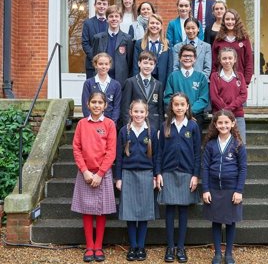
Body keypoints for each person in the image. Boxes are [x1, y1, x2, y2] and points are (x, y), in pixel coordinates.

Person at [71, 91, 117, 263]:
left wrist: (100, 173)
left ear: (105, 105)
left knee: (101, 210)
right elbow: (76, 149)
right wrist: (84, 171)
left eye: (100, 102)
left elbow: (111, 151)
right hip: (85, 173)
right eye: (94, 102)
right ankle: (89, 246)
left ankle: (99, 246)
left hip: (102, 174)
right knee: (87, 210)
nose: (97, 105)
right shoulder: (82, 124)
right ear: (88, 104)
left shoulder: (110, 124)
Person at [156, 92, 201, 263]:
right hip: (168, 172)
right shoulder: (165, 125)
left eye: (182, 105)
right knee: (169, 211)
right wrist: (158, 173)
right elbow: (159, 152)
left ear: (187, 106)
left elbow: (197, 153)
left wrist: (195, 175)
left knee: (183, 211)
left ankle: (181, 247)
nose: (179, 107)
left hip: (186, 173)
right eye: (176, 105)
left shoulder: (193, 127)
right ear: (172, 107)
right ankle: (170, 246)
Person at [115, 99, 158, 262]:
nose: (139, 114)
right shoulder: (124, 131)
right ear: (130, 113)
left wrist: (156, 175)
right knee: (130, 212)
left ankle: (141, 246)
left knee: (144, 212)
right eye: (136, 111)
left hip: (147, 174)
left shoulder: (152, 131)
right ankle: (132, 247)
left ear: (146, 114)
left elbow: (157, 156)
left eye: (142, 112)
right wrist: (118, 177)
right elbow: (119, 157)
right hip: (128, 174)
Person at [202, 109, 247, 264]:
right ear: (215, 124)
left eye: (226, 122)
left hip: (231, 189)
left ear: (233, 123)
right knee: (215, 221)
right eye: (220, 122)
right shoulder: (210, 145)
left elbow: (243, 168)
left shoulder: (238, 144)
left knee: (230, 221)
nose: (223, 125)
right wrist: (206, 189)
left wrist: (239, 190)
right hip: (214, 189)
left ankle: (228, 254)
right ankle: (217, 254)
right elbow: (205, 168)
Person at [164, 44, 209, 128]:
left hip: (195, 117)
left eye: (190, 56)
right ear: (180, 58)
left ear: (195, 59)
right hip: (176, 117)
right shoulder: (173, 76)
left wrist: (189, 112)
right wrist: (180, 111)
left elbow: (203, 99)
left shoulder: (201, 77)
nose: (187, 58)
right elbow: (168, 98)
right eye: (184, 56)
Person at [210, 47, 247, 143]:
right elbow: (214, 97)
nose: (227, 61)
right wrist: (224, 112)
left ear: (235, 59)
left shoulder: (240, 76)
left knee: (240, 143)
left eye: (230, 58)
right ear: (220, 60)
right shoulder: (215, 76)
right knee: (218, 144)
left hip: (237, 116)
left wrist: (228, 109)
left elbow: (243, 96)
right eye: (224, 58)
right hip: (219, 115)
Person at [93, 5, 133, 88]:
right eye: (111, 16)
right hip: (102, 79)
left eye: (116, 16)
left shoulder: (127, 38)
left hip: (121, 80)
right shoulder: (98, 38)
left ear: (121, 19)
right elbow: (94, 60)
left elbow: (130, 62)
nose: (114, 19)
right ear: (107, 19)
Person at [122, 51, 164, 131]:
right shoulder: (130, 82)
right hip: (134, 124)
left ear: (154, 66)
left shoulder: (158, 84)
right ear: (139, 63)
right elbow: (125, 107)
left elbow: (160, 109)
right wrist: (128, 125)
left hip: (153, 124)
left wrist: (159, 128)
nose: (148, 66)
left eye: (151, 64)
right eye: (145, 63)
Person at [212, 9, 254, 86]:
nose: (230, 22)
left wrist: (246, 81)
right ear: (223, 21)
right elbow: (214, 62)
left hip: (240, 81)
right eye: (227, 19)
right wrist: (215, 79)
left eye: (233, 19)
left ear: (237, 21)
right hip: (221, 81)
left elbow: (249, 61)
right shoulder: (218, 39)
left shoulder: (244, 38)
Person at [133, 14, 173, 89]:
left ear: (161, 27)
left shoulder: (167, 44)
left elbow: (170, 66)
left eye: (157, 23)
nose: (154, 25)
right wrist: (136, 84)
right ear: (148, 25)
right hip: (143, 80)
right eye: (152, 23)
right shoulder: (139, 43)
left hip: (161, 81)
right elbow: (135, 65)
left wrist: (168, 86)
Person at [81, 53, 122, 127]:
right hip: (92, 123)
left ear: (110, 65)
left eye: (106, 64)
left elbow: (117, 106)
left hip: (109, 123)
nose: (103, 67)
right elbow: (85, 104)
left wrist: (112, 123)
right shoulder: (88, 83)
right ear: (95, 65)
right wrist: (89, 121)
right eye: (100, 64)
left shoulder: (116, 85)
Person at [173, 17, 212, 81]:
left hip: (200, 83)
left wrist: (198, 81)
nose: (190, 31)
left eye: (193, 28)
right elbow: (175, 67)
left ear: (198, 29)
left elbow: (207, 68)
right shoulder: (177, 47)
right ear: (184, 29)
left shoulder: (206, 47)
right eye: (188, 28)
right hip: (182, 82)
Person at [82, 0, 110, 79]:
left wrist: (106, 60)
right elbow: (85, 43)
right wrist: (96, 59)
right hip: (92, 65)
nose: (101, 6)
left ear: (108, 6)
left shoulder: (111, 23)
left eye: (104, 4)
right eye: (99, 3)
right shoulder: (88, 23)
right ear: (95, 6)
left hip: (108, 64)